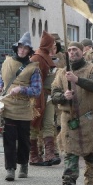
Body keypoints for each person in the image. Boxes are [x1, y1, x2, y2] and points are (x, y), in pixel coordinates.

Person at [52, 41, 93, 185]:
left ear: (82, 51)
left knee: (92, 156)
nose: (72, 52)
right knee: (70, 154)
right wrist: (63, 97)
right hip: (69, 119)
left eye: (75, 50)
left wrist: (76, 79)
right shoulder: (61, 73)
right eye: (69, 50)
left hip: (90, 120)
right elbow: (54, 94)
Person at [0, 32, 41, 181]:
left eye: (26, 48)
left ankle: (24, 164)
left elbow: (37, 90)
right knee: (9, 139)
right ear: (17, 48)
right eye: (20, 47)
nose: (22, 50)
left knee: (24, 140)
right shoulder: (7, 62)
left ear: (29, 51)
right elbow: (2, 78)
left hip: (24, 108)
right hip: (7, 106)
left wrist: (22, 89)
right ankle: (10, 169)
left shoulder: (34, 68)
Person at [29, 31, 61, 166]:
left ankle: (49, 154)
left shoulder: (47, 56)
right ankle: (34, 156)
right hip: (38, 97)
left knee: (48, 124)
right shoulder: (37, 58)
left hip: (48, 97)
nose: (54, 47)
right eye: (52, 44)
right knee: (34, 126)